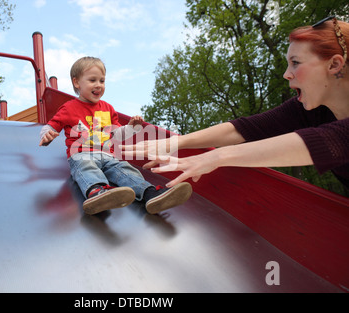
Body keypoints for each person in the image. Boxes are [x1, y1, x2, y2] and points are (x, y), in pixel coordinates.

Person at [121, 17, 349, 191]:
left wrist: (215, 158)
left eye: (295, 63)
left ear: (334, 65)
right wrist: (175, 142)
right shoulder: (314, 109)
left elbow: (319, 143)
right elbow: (244, 128)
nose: (286, 74)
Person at [39, 57, 192, 215]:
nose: (98, 85)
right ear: (77, 83)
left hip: (108, 155)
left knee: (125, 170)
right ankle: (97, 192)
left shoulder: (107, 108)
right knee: (86, 167)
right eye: (92, 80)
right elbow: (51, 125)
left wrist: (131, 128)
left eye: (102, 80)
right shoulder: (69, 108)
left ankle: (150, 194)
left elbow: (116, 134)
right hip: (82, 153)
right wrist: (47, 135)